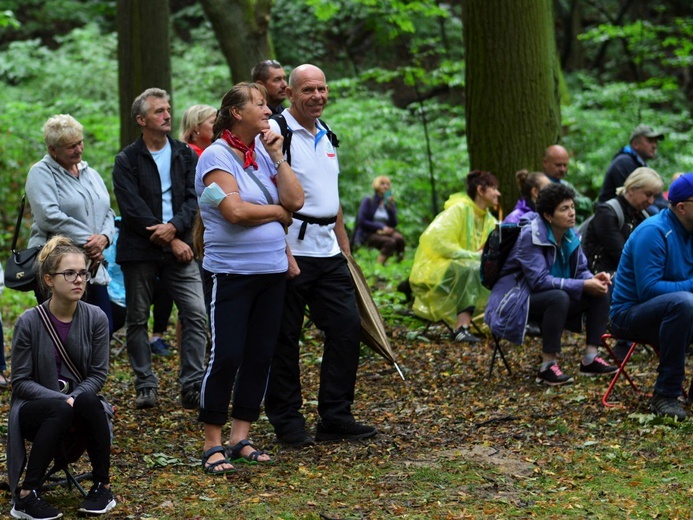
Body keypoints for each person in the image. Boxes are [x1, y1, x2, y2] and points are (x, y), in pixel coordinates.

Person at [262, 64, 377, 447]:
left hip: (328, 250)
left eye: (322, 89)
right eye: (307, 90)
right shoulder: (277, 132)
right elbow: (265, 192)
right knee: (284, 337)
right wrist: (281, 247)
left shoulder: (326, 134)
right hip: (291, 248)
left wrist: (344, 246)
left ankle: (336, 415)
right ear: (291, 94)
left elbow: (332, 196)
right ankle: (287, 421)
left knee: (346, 328)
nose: (317, 96)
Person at [195, 83, 304, 473]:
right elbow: (235, 212)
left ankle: (241, 435)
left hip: (271, 272)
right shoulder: (215, 157)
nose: (268, 109)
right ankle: (212, 441)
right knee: (226, 355)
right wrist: (276, 213)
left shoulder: (264, 151)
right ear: (237, 113)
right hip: (232, 273)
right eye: (259, 104)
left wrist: (278, 157)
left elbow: (296, 201)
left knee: (260, 354)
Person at [7, 236, 116, 518]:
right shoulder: (29, 321)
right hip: (35, 410)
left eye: (83, 272)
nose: (78, 279)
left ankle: (102, 487)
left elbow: (97, 374)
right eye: (69, 273)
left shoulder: (96, 318)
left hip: (77, 406)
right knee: (60, 407)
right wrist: (62, 399)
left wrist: (74, 399)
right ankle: (26, 496)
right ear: (49, 280)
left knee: (91, 402)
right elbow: (20, 382)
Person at [112, 88, 207, 410]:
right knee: (138, 318)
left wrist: (176, 229)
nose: (167, 115)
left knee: (196, 313)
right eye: (158, 111)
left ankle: (193, 384)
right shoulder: (127, 159)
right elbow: (132, 208)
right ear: (141, 120)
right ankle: (145, 385)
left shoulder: (184, 154)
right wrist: (172, 237)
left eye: (168, 109)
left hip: (179, 246)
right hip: (140, 249)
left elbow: (195, 198)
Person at [485, 183, 618, 385]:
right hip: (517, 300)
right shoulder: (530, 236)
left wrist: (592, 278)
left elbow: (580, 270)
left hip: (551, 296)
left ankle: (591, 359)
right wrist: (583, 285)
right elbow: (539, 281)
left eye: (572, 207)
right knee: (558, 296)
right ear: (548, 216)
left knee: (600, 290)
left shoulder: (570, 234)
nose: (572, 213)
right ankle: (547, 366)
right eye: (564, 209)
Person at [610, 173, 693, 420]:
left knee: (685, 303)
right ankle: (665, 394)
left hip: (674, 311)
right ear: (682, 207)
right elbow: (648, 290)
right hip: (628, 314)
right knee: (685, 303)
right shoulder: (654, 232)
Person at [25, 114, 116, 335]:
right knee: (63, 333)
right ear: (53, 150)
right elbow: (48, 215)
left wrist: (104, 238)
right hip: (57, 268)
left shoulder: (90, 173)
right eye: (70, 146)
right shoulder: (40, 173)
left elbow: (109, 211)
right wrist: (89, 240)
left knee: (102, 328)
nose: (78, 149)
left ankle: (92, 371)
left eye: (79, 142)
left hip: (92, 266)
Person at [409, 171, 500, 343]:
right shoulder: (459, 210)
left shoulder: (488, 219)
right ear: (480, 190)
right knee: (471, 268)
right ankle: (461, 327)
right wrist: (473, 256)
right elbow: (438, 241)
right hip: (439, 267)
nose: (498, 193)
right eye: (494, 188)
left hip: (465, 269)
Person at [582, 167, 663, 275]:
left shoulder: (644, 216)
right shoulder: (607, 213)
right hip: (603, 277)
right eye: (648, 194)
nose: (651, 201)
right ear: (631, 189)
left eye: (655, 196)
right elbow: (622, 256)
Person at [598, 124, 667, 210]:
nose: (654, 145)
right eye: (650, 141)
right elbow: (633, 199)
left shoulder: (642, 165)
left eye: (655, 142)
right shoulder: (624, 162)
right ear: (635, 144)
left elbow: (658, 198)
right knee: (654, 211)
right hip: (610, 216)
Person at [354, 175, 405, 264]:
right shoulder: (369, 201)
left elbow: (394, 223)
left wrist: (390, 208)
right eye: (382, 184)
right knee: (390, 242)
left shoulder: (389, 203)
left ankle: (397, 264)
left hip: (385, 232)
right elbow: (362, 221)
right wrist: (381, 227)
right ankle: (379, 267)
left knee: (400, 239)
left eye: (387, 184)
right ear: (377, 186)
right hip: (370, 232)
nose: (385, 186)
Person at [542, 144, 593, 221]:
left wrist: (571, 201)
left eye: (565, 165)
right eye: (558, 165)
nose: (562, 169)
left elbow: (588, 204)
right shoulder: (540, 184)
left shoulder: (565, 184)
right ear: (545, 163)